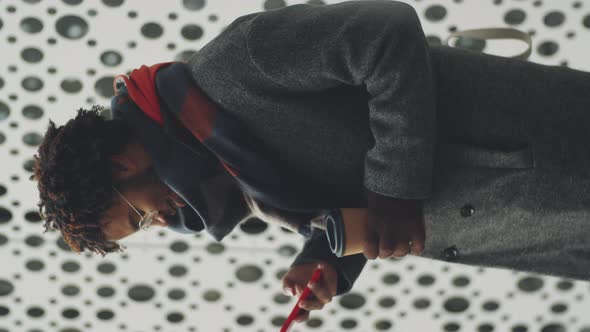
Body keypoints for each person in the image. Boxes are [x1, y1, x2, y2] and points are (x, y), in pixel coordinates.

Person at [31, 0, 590, 324]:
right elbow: (345, 186)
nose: (157, 222)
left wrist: (393, 193)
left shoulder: (238, 63)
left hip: (554, 146)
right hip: (539, 231)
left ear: (125, 163)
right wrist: (326, 260)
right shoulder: (230, 174)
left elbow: (386, 32)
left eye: (136, 216)